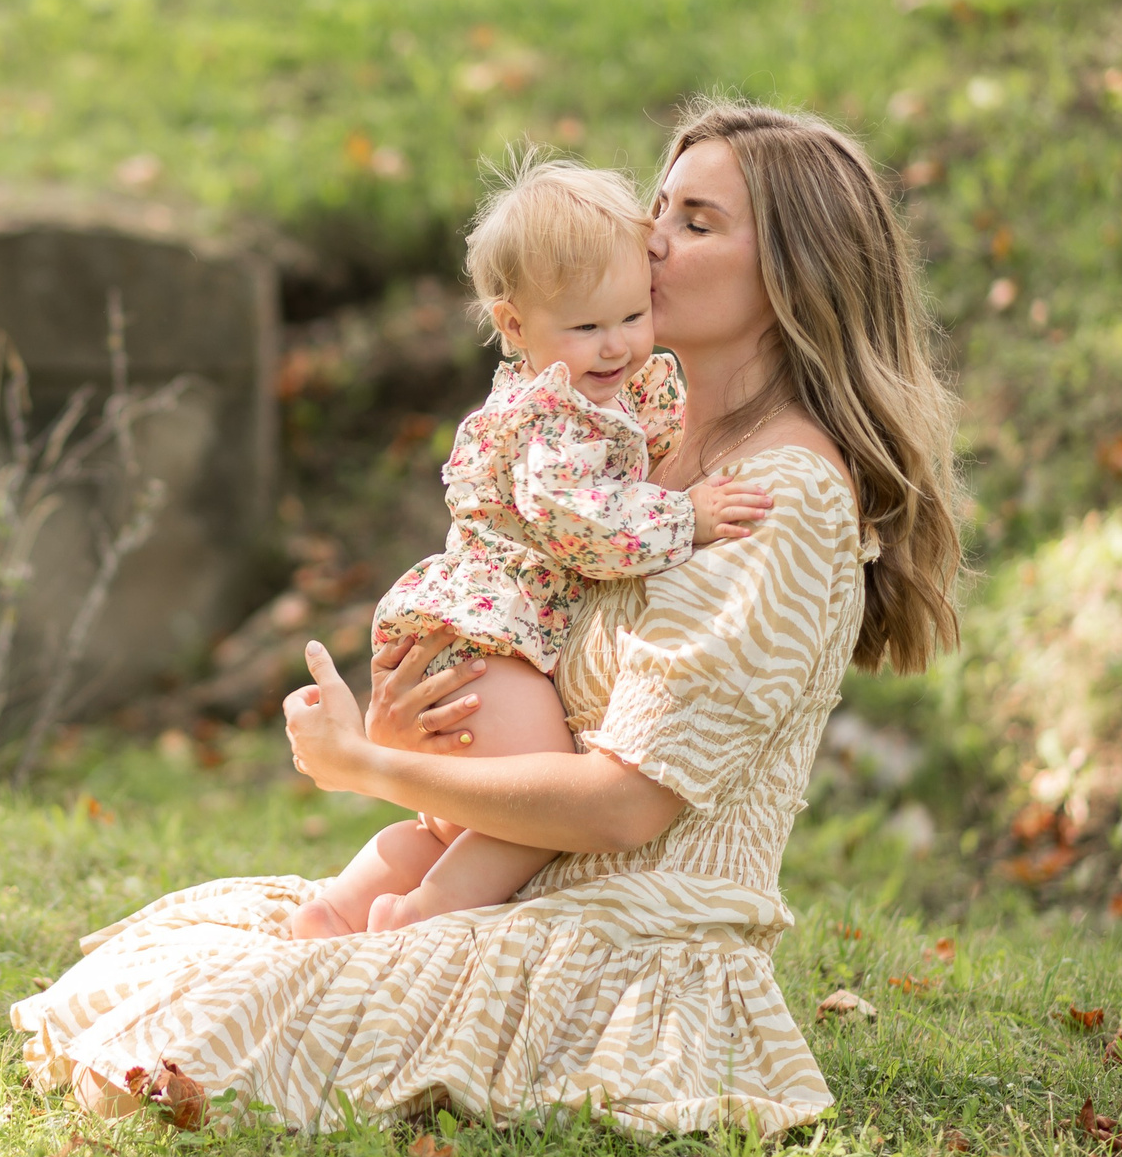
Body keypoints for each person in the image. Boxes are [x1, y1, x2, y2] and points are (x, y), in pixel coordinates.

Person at [14, 101, 963, 1136]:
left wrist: (364, 767)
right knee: (215, 974)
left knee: (235, 1020)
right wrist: (427, 723)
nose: (648, 238)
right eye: (657, 205)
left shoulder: (782, 495)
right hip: (518, 881)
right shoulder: (638, 442)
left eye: (695, 221)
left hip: (622, 946)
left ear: (793, 272)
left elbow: (621, 807)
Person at [291, 157, 770, 939]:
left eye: (631, 315)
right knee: (531, 812)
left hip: (478, 632)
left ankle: (338, 908)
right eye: (586, 327)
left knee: (453, 824)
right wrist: (687, 516)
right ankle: (418, 919)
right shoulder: (555, 420)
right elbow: (583, 521)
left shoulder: (603, 387)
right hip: (495, 643)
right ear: (513, 325)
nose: (615, 345)